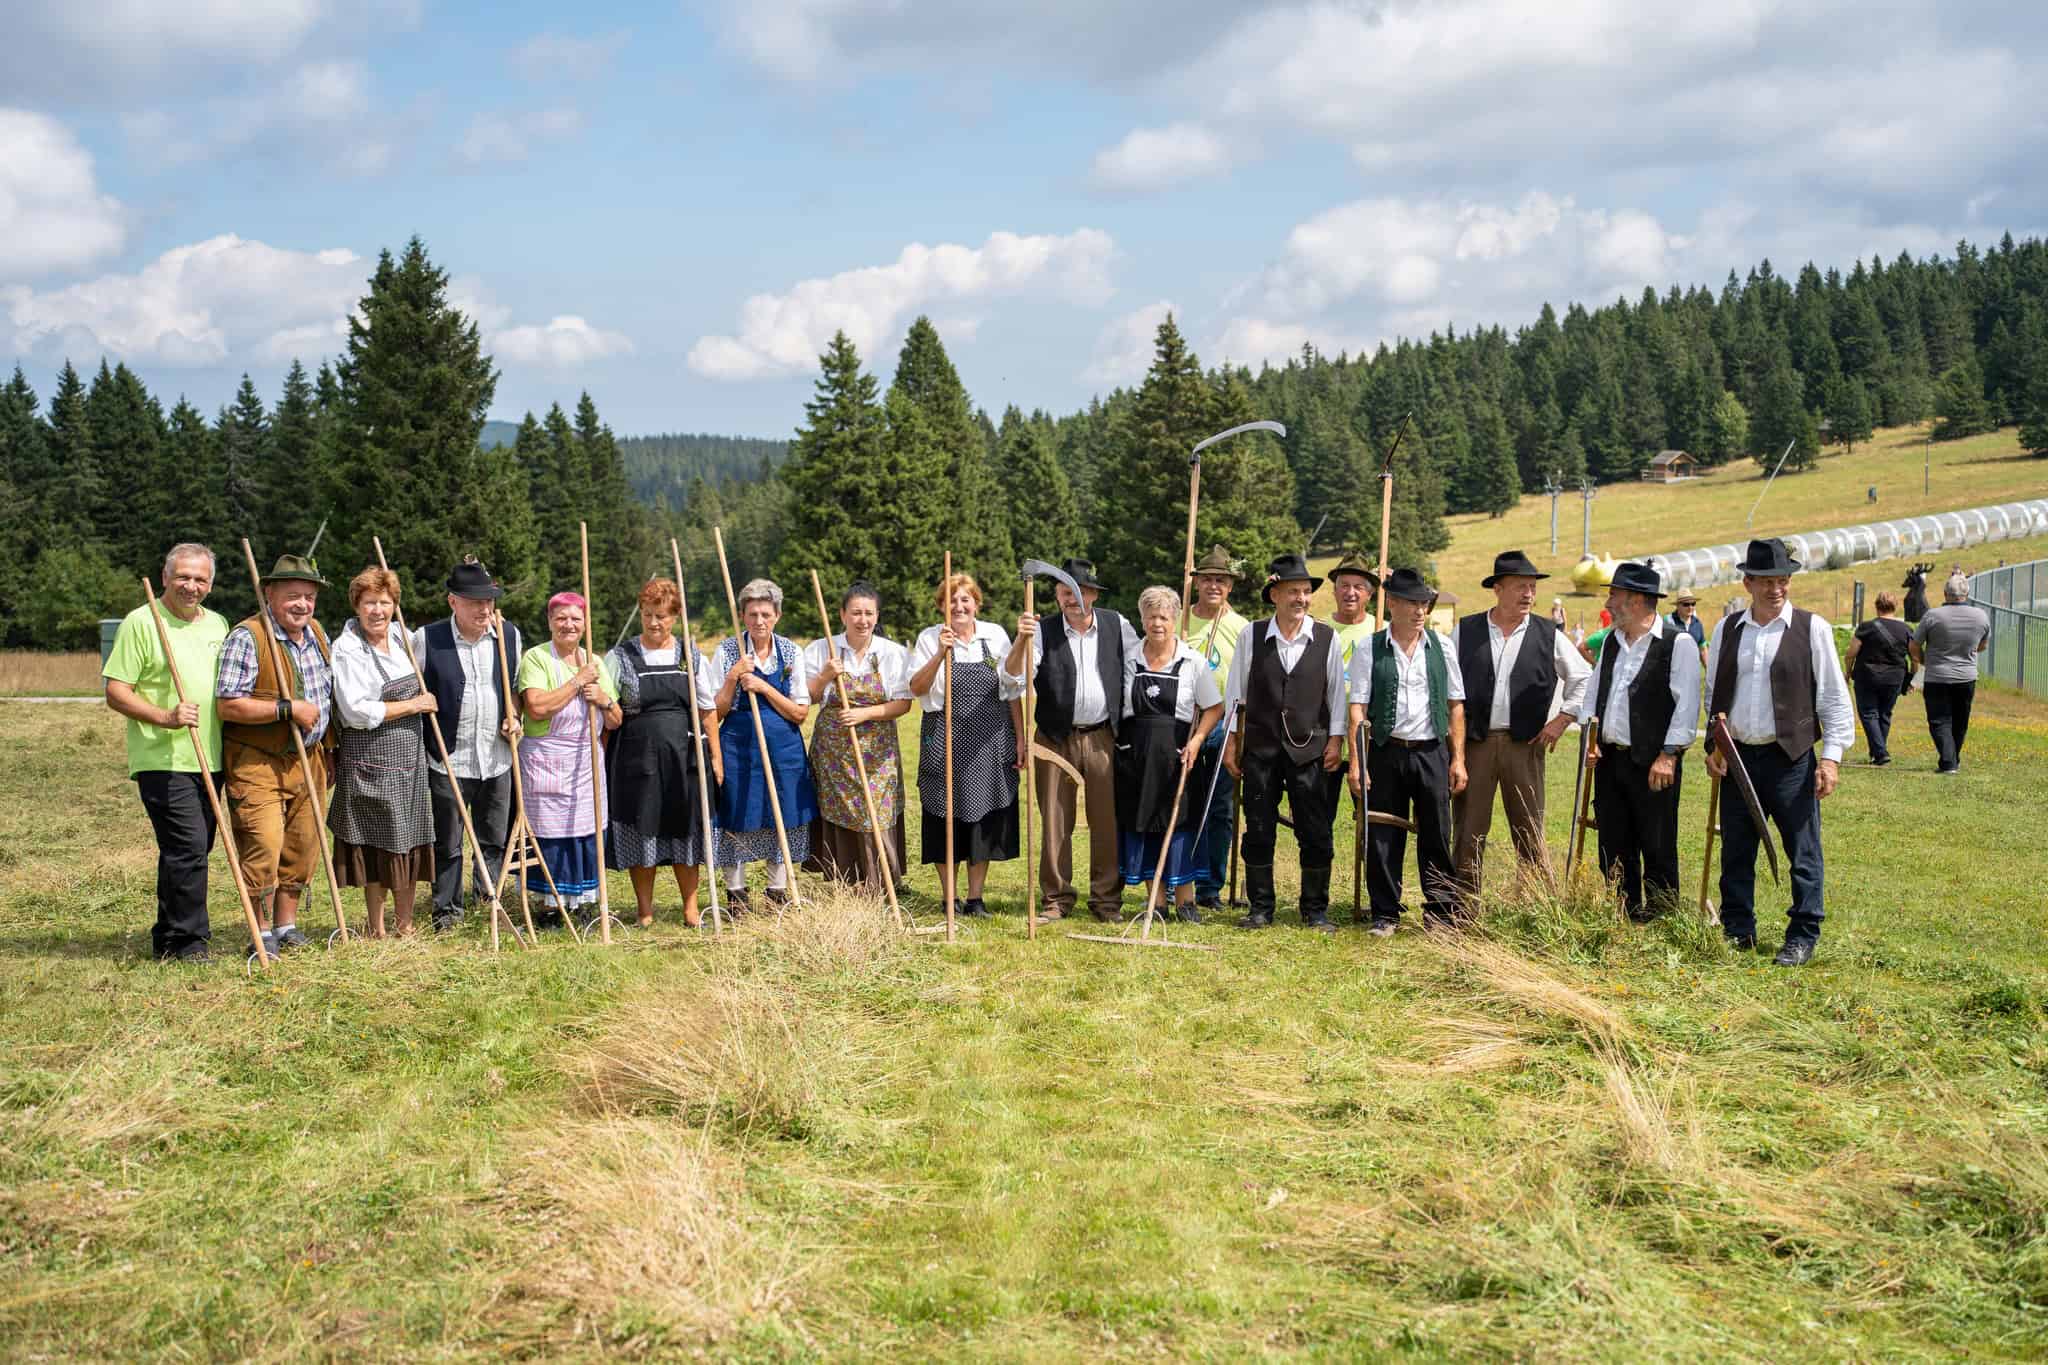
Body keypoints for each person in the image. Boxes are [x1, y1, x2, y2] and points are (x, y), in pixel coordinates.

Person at [1704, 538, 1853, 967]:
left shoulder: (1812, 628)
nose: (1776, 589)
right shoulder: (1727, 629)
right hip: (1738, 759)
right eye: (1767, 581)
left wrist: (1831, 757)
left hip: (1791, 758)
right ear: (1748, 583)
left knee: (1802, 852)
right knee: (1736, 850)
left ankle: (1803, 935)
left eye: (1783, 580)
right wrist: (1716, 744)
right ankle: (1738, 929)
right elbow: (1715, 693)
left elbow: (1834, 698)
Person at [102, 543, 231, 961]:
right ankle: (188, 942)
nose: (191, 586)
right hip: (163, 759)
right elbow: (116, 691)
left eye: (200, 579)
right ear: (165, 578)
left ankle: (167, 934)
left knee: (191, 850)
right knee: (188, 847)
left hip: (211, 756)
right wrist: (165, 716)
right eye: (183, 577)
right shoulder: (141, 623)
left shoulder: (219, 624)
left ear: (210, 584)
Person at [215, 554, 337, 955]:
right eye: (292, 595)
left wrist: (329, 747)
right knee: (263, 845)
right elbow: (228, 705)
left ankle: (286, 926)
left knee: (303, 846)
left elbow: (326, 696)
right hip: (258, 761)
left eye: (309, 597)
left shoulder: (317, 633)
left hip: (309, 759)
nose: (302, 604)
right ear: (269, 593)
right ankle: (261, 932)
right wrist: (287, 709)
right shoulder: (248, 637)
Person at [1007, 557, 1139, 925]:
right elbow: (1013, 679)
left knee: (1106, 819)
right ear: (1056, 595)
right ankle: (1056, 898)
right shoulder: (1041, 631)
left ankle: (1106, 900)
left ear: (1094, 594)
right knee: (1055, 819)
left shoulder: (1117, 625)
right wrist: (1021, 639)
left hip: (1103, 735)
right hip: (1054, 737)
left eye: (1079, 591)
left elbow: (1136, 668)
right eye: (1064, 591)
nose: (1071, 598)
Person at [1451, 550, 1589, 897]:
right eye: (1520, 587)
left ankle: (1535, 904)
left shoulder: (1549, 633)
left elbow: (1584, 678)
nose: (1529, 594)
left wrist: (1562, 719)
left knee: (1528, 826)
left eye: (1532, 587)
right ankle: (1463, 907)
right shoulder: (1465, 631)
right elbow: (1448, 687)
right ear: (1497, 589)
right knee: (1468, 829)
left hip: (1525, 745)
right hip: (1475, 744)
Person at [1225, 552, 1348, 931]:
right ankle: (1260, 908)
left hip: (1310, 750)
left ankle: (1315, 909)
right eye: (1294, 591)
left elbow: (1336, 696)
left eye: (1306, 592)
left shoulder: (1326, 638)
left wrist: (1336, 741)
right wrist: (1231, 742)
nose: (1302, 599)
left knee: (1315, 830)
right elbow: (1235, 693)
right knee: (1258, 828)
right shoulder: (1251, 635)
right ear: (1274, 594)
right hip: (1260, 749)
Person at [1346, 568, 1468, 935]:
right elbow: (1358, 708)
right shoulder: (1369, 647)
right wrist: (1358, 762)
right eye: (1413, 603)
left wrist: (1458, 759)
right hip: (1386, 750)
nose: (1420, 611)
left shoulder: (1442, 647)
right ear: (1393, 604)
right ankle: (1385, 913)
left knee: (1437, 832)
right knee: (1383, 833)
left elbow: (1455, 705)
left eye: (1424, 604)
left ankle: (1441, 913)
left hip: (1431, 751)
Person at [1578, 562, 1701, 922]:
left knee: (1657, 841)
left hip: (1654, 762)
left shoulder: (1678, 644)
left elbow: (1687, 705)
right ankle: (1624, 911)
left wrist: (1669, 755)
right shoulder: (1612, 642)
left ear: (1635, 600)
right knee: (1613, 840)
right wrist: (1591, 739)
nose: (1608, 603)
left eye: (1613, 595)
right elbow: (1593, 696)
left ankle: (1662, 916)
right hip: (1610, 759)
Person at [413, 558, 524, 933]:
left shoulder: (508, 635)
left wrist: (514, 716)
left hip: (496, 757)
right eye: (475, 602)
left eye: (488, 600)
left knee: (493, 838)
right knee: (448, 842)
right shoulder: (427, 639)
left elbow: (513, 689)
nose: (484, 608)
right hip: (449, 757)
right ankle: (447, 911)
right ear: (453, 602)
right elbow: (414, 690)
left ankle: (488, 901)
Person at [328, 567, 437, 937]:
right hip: (370, 758)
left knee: (410, 839)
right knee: (377, 845)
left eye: (385, 603)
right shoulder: (347, 649)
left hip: (410, 758)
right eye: (370, 603)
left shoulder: (404, 637)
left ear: (395, 606)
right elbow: (355, 711)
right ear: (356, 606)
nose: (378, 610)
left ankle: (405, 924)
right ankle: (376, 928)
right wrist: (414, 705)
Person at [606, 578, 721, 927]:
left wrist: (716, 757)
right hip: (636, 759)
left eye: (661, 616)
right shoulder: (620, 656)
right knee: (643, 830)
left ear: (675, 617)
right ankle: (644, 910)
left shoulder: (690, 655)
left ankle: (690, 908)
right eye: (647, 614)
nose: (654, 622)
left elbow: (707, 709)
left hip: (684, 757)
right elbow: (608, 712)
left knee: (686, 829)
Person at [911, 573, 1024, 917]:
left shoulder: (995, 635)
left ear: (977, 603)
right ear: (941, 606)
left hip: (989, 740)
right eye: (951, 600)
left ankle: (975, 898)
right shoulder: (930, 637)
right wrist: (940, 654)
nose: (959, 606)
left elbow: (1011, 688)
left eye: (965, 599)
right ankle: (950, 898)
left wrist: (1020, 738)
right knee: (942, 813)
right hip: (943, 737)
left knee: (982, 817)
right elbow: (917, 688)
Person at [1116, 585, 1224, 921]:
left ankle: (1186, 902)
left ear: (1175, 619)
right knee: (1145, 824)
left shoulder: (1192, 662)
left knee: (1180, 826)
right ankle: (1157, 903)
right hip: (1136, 757)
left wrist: (1197, 740)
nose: (1157, 623)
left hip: (1178, 757)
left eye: (1164, 617)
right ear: (1142, 619)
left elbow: (1214, 707)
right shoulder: (1128, 659)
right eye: (1151, 616)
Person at [711, 578, 819, 910]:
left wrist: (764, 687)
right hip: (738, 746)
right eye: (752, 614)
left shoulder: (791, 652)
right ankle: (736, 895)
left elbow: (799, 713)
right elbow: (715, 712)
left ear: (777, 616)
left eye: (766, 614)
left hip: (783, 747)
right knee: (737, 810)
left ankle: (776, 892)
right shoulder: (727, 651)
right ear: (742, 616)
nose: (759, 621)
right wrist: (733, 677)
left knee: (783, 811)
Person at [516, 592, 622, 923]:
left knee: (586, 830)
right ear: (550, 621)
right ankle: (550, 906)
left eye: (576, 618)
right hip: (548, 756)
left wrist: (603, 699)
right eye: (561, 618)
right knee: (551, 833)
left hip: (587, 761)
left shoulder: (595, 662)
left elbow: (616, 720)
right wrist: (577, 682)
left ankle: (583, 902)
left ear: (585, 624)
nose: (568, 625)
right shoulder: (536, 658)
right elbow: (537, 707)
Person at [804, 580, 912, 891]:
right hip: (834, 750)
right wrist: (825, 675)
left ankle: (881, 880)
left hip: (878, 749)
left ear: (877, 616)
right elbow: (808, 697)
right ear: (842, 615)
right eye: (855, 613)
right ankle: (847, 880)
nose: (862, 620)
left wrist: (864, 714)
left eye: (868, 613)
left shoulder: (892, 653)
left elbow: (903, 704)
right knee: (840, 808)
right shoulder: (822, 648)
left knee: (876, 808)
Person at [1183, 546, 1249, 913]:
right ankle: (1180, 881)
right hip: (1186, 724)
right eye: (1207, 579)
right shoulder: (1180, 621)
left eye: (1220, 580)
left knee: (1219, 809)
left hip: (1227, 726)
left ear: (1230, 586)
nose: (1213, 585)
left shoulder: (1242, 629)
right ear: (1196, 583)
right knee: (1184, 805)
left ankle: (1210, 886)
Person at [1910, 573, 1991, 775]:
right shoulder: (1981, 616)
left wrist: (1925, 661)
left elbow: (1914, 645)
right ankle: (1953, 759)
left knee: (1939, 720)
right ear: (1967, 594)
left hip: (1937, 676)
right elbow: (1982, 645)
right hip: (1966, 677)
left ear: (1945, 593)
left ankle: (1948, 762)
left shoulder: (1932, 616)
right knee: (1960, 720)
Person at [1845, 591, 1912, 766]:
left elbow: (1851, 653)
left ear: (1876, 606)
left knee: (1869, 713)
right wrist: (1909, 678)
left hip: (1867, 676)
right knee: (1884, 714)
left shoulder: (1866, 627)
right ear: (1895, 607)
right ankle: (1877, 753)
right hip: (1894, 678)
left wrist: (1847, 672)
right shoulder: (1906, 629)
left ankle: (1880, 753)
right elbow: (1915, 657)